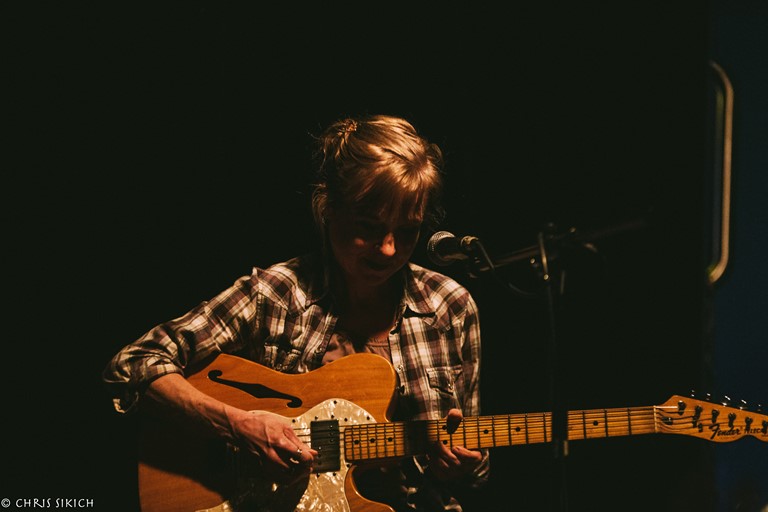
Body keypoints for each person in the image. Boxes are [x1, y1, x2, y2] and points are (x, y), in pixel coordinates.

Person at [103, 114, 489, 511]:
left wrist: (464, 464)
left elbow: (472, 461)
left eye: (407, 231)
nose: (389, 248)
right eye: (368, 227)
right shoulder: (275, 294)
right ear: (329, 208)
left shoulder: (450, 306)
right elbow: (134, 363)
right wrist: (237, 426)